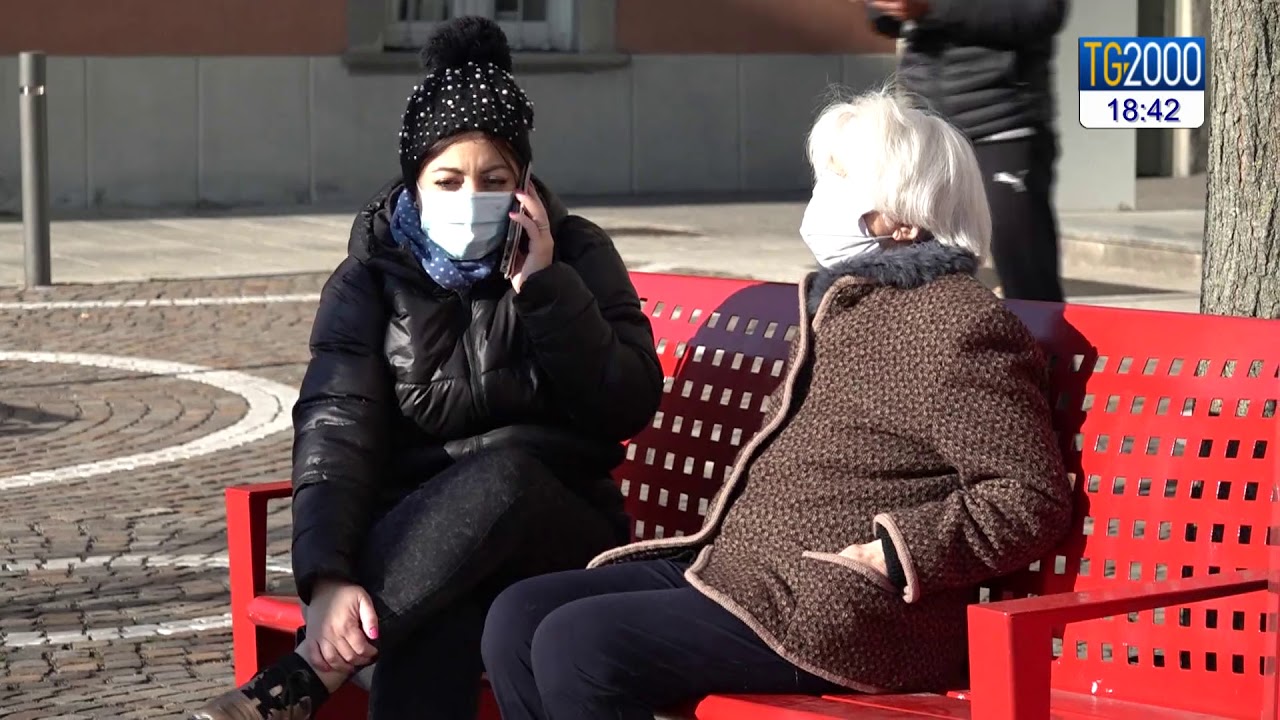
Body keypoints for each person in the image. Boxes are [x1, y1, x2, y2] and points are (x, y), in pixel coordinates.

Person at [480, 89, 1074, 719]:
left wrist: (898, 552)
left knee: (581, 644)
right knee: (518, 617)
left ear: (904, 220)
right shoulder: (843, 304)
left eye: (842, 180)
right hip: (747, 574)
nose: (822, 195)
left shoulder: (959, 322)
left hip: (845, 606)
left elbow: (1028, 495)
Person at [191, 16, 663, 720]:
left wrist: (544, 288)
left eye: (493, 178)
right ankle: (331, 649)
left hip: (561, 530)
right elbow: (336, 432)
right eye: (448, 178)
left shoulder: (574, 253)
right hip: (419, 543)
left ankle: (311, 673)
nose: (471, 195)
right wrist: (326, 581)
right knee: (437, 619)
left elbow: (626, 403)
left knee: (506, 474)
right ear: (415, 181)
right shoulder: (371, 281)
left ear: (524, 182)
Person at [865, 0, 1069, 303]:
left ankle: (1047, 349)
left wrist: (931, 8)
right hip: (928, 126)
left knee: (1025, 274)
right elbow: (886, 18)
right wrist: (888, 9)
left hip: (1003, 120)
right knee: (920, 271)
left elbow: (1042, 12)